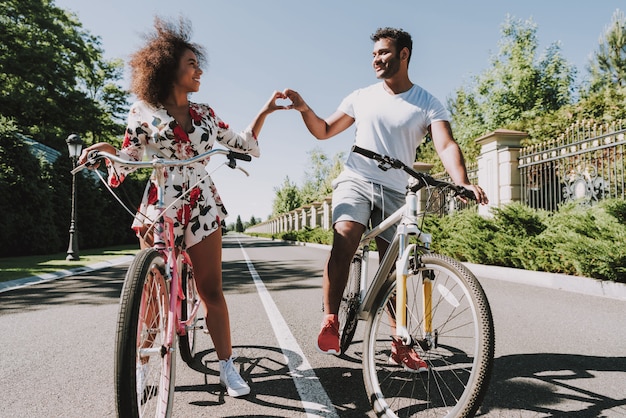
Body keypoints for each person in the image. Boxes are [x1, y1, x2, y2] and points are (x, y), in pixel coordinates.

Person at [79, 17, 287, 397]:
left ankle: (226, 366)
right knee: (150, 288)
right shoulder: (141, 112)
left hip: (202, 204)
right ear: (168, 67)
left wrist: (266, 111)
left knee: (211, 290)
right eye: (191, 63)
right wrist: (109, 151)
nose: (199, 70)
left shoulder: (205, 113)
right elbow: (128, 157)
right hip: (160, 202)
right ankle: (140, 368)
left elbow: (244, 143)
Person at [284, 27, 488, 371]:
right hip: (357, 179)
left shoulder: (426, 102)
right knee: (346, 236)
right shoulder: (361, 96)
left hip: (397, 189)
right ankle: (331, 318)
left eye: (384, 53)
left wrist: (462, 182)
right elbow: (323, 130)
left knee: (398, 268)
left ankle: (399, 342)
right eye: (374, 54)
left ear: (404, 54)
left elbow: (446, 145)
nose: (377, 59)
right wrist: (305, 108)